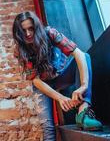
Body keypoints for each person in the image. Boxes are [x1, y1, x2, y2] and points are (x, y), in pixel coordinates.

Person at [12, 11, 102, 140]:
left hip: (62, 75)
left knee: (85, 56)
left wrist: (83, 85)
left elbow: (78, 54)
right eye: (23, 31)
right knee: (47, 126)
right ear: (18, 32)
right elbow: (35, 81)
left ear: (36, 27)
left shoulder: (50, 33)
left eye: (31, 29)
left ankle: (83, 114)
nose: (28, 34)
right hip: (42, 84)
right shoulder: (19, 50)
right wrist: (60, 98)